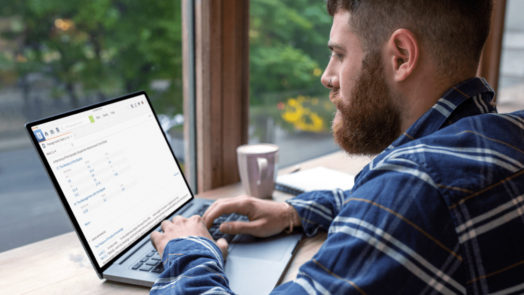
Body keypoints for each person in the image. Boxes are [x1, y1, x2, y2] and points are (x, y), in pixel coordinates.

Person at [150, 0, 524, 293]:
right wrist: (292, 213)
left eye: (340, 54)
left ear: (402, 57)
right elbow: (420, 204)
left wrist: (189, 249)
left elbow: (414, 201)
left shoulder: (418, 187)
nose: (326, 76)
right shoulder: (504, 137)